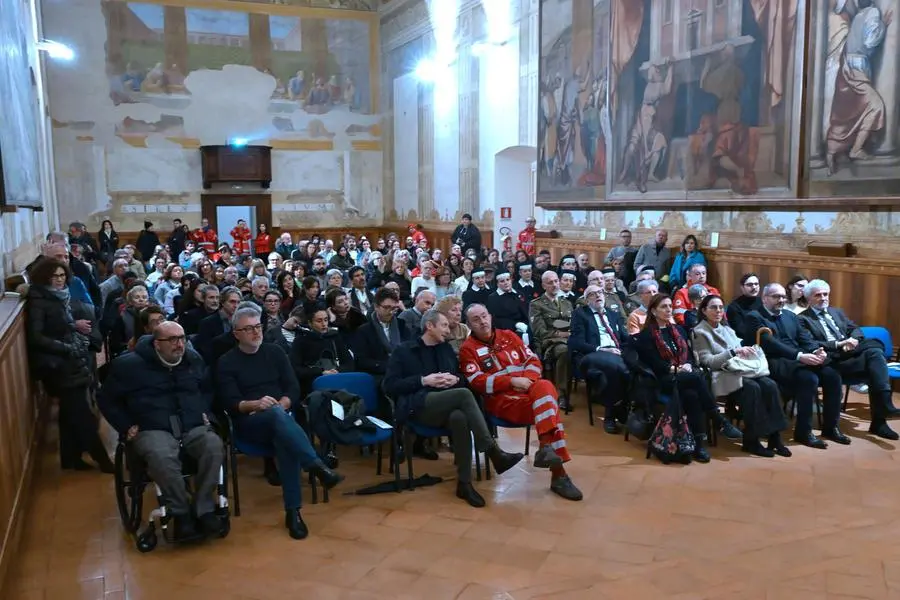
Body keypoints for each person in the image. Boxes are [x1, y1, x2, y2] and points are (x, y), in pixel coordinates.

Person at [217, 308, 344, 539]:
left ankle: (293, 512)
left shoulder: (275, 352)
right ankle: (315, 467)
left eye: (258, 327)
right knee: (280, 422)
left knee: (283, 434)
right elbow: (230, 402)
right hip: (250, 423)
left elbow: (292, 387)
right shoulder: (226, 362)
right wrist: (256, 405)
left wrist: (283, 404)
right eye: (249, 328)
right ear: (236, 333)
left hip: (281, 418)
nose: (256, 332)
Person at [384, 310, 525, 507]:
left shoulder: (446, 349)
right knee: (464, 395)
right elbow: (389, 386)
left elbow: (462, 377)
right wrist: (423, 380)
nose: (448, 330)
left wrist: (455, 379)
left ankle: (464, 483)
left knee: (459, 417)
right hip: (417, 407)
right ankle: (493, 451)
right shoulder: (404, 350)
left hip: (446, 404)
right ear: (429, 326)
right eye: (443, 325)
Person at [98, 322, 225, 540]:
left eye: (182, 338)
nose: (180, 344)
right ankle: (181, 512)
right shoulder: (129, 366)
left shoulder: (193, 360)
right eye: (173, 339)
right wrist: (126, 425)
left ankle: (203, 508)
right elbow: (106, 399)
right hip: (151, 425)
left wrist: (204, 411)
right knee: (161, 456)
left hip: (191, 423)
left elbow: (207, 389)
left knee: (214, 446)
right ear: (157, 344)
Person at [460, 304, 583, 501]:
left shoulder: (509, 335)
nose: (482, 321)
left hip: (529, 392)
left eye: (484, 316)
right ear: (469, 325)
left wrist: (527, 382)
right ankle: (558, 474)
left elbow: (533, 361)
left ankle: (547, 450)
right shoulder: (468, 349)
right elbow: (477, 382)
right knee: (550, 409)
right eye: (476, 319)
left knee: (544, 387)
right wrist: (511, 381)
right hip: (503, 402)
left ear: (490, 316)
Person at [25, 258, 113, 473]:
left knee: (68, 414)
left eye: (62, 275)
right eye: (54, 276)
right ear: (44, 277)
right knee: (84, 416)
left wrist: (73, 335)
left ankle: (70, 459)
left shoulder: (57, 297)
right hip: (56, 365)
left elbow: (61, 325)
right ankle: (104, 460)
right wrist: (66, 347)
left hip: (69, 360)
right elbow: (36, 337)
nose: (59, 280)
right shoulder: (40, 299)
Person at [633, 294, 742, 462]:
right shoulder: (646, 336)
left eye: (670, 306)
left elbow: (690, 356)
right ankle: (718, 420)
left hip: (685, 377)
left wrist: (689, 365)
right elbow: (654, 365)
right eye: (663, 307)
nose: (669, 309)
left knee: (692, 395)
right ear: (654, 311)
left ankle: (698, 445)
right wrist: (676, 369)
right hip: (664, 380)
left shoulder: (679, 330)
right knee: (696, 379)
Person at [747, 284, 846, 449]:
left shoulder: (790, 315)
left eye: (783, 297)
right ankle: (803, 431)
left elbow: (804, 338)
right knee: (808, 379)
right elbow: (769, 343)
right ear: (764, 298)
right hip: (774, 360)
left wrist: (816, 350)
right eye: (776, 297)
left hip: (799, 357)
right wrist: (800, 356)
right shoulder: (755, 316)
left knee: (832, 375)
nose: (781, 300)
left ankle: (830, 427)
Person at [798, 279, 898, 440]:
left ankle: (880, 422)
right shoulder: (802, 319)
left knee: (874, 354)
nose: (823, 298)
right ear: (808, 298)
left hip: (849, 353)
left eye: (826, 294)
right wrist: (839, 344)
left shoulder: (837, 312)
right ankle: (833, 427)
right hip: (828, 358)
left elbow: (855, 329)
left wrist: (854, 341)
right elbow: (810, 343)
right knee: (874, 352)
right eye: (818, 295)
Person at [692, 295, 790, 457]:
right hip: (720, 375)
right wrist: (732, 352)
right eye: (713, 307)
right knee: (753, 388)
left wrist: (747, 352)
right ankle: (751, 441)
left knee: (769, 384)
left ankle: (774, 437)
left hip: (740, 370)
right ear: (703, 310)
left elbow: (739, 351)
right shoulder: (700, 332)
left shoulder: (727, 329)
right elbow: (707, 362)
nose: (718, 311)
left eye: (720, 307)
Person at [568, 286, 630, 434]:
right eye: (592, 294)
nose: (597, 295)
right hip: (592, 354)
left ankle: (625, 407)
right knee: (616, 369)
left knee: (636, 366)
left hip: (616, 352)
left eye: (600, 292)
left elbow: (623, 338)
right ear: (586, 299)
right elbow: (576, 342)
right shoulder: (581, 314)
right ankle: (611, 415)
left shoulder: (613, 314)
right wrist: (600, 349)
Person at [529, 271, 573, 405]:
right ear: (543, 286)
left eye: (556, 281)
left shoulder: (567, 303)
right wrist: (562, 334)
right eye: (550, 283)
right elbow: (540, 331)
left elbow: (574, 324)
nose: (554, 285)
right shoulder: (536, 304)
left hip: (571, 339)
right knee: (564, 351)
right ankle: (561, 394)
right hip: (549, 343)